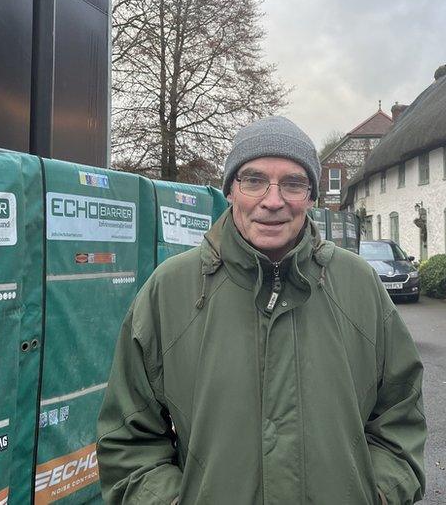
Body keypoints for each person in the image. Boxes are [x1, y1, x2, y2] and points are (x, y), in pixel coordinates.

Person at [97, 116, 426, 504]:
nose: (273, 201)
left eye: (293, 183)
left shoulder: (360, 286)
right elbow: (128, 441)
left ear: (311, 196)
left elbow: (400, 419)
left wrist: (379, 494)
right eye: (253, 180)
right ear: (230, 191)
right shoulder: (170, 291)